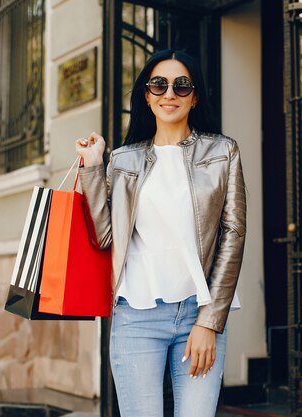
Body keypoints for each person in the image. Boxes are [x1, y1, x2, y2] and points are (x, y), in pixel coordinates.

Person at [75, 49, 246, 417]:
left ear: (195, 96)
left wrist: (209, 321)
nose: (170, 93)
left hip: (197, 313)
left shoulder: (222, 152)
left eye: (181, 85)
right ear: (147, 95)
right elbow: (105, 236)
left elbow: (233, 235)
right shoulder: (124, 160)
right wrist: (93, 167)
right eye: (159, 84)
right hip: (135, 315)